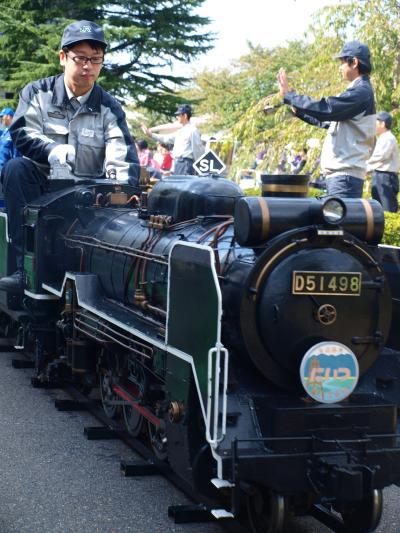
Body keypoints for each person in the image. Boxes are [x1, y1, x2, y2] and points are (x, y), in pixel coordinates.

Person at [0, 20, 140, 292]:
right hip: (41, 185)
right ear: (63, 57)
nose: (87, 66)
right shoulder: (38, 92)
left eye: (95, 59)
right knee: (16, 168)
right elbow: (22, 132)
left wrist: (121, 189)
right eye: (80, 58)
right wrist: (52, 150)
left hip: (87, 194)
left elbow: (121, 155)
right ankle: (22, 270)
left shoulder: (110, 107)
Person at [277, 40, 376, 198]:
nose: (340, 67)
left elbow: (328, 108)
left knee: (337, 223)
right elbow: (326, 121)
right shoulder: (359, 90)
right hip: (342, 177)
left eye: (342, 62)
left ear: (354, 62)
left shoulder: (362, 91)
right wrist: (299, 111)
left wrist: (290, 96)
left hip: (345, 178)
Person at [141, 104, 204, 175]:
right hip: (178, 163)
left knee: (183, 185)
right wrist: (151, 135)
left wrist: (198, 166)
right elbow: (166, 138)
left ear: (185, 116)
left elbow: (197, 149)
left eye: (178, 115)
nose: (177, 117)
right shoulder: (181, 130)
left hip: (186, 163)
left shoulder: (192, 130)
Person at [367, 111, 400, 212]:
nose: (374, 125)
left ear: (383, 124)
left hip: (386, 177)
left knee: (387, 208)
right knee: (377, 209)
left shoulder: (388, 138)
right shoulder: (383, 138)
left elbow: (380, 156)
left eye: (376, 122)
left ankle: (390, 228)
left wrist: (365, 166)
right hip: (379, 175)